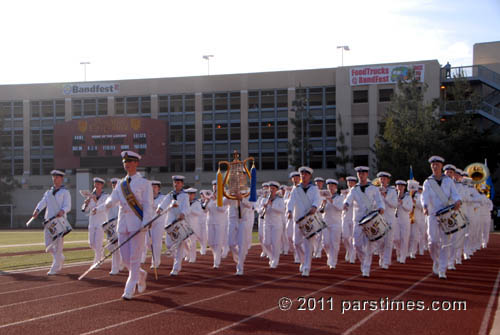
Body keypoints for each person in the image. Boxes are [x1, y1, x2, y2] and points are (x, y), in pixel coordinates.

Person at [94, 151, 153, 300]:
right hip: (122, 225)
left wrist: (146, 222)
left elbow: (148, 205)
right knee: (125, 258)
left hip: (137, 224)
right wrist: (99, 207)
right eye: (125, 161)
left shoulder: (144, 183)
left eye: (130, 161)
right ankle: (140, 274)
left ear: (136, 163)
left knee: (134, 257)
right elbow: (111, 201)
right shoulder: (121, 184)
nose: (126, 164)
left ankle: (129, 287)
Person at [421, 155, 461, 279]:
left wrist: (457, 201)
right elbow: (424, 196)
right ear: (431, 166)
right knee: (432, 242)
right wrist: (425, 206)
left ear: (441, 166)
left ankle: (442, 269)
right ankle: (437, 261)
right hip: (433, 214)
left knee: (445, 242)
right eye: (433, 164)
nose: (435, 166)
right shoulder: (428, 182)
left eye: (437, 164)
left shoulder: (448, 181)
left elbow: (455, 194)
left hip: (446, 214)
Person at [344, 166, 385, 277]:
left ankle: (366, 267)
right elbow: (348, 198)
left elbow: (379, 200)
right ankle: (363, 262)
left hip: (370, 219)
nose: (361, 175)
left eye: (363, 173)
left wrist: (381, 207)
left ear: (367, 174)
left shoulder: (373, 188)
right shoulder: (354, 189)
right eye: (359, 173)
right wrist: (346, 204)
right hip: (358, 220)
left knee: (369, 244)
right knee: (356, 244)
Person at [31, 170, 71, 275]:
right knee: (48, 246)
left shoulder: (65, 192)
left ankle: (55, 267)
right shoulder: (48, 192)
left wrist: (63, 211)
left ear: (61, 178)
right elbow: (42, 202)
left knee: (58, 245)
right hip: (48, 221)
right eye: (53, 177)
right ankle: (60, 258)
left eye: (57, 177)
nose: (54, 179)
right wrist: (37, 210)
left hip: (59, 221)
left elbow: (68, 205)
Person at [287, 166, 321, 277]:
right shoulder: (296, 189)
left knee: (308, 244)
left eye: (305, 174)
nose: (303, 176)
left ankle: (307, 267)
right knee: (296, 243)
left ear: (309, 176)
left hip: (309, 220)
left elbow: (318, 199)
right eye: (302, 174)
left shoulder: (314, 188)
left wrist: (315, 206)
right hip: (298, 220)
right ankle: (302, 261)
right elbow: (291, 201)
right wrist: (289, 211)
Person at [157, 175, 189, 276]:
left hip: (179, 222)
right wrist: (159, 209)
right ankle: (179, 257)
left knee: (179, 245)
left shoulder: (185, 196)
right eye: (175, 183)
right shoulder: (170, 195)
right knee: (168, 244)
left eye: (178, 183)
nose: (176, 184)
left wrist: (183, 213)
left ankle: (176, 267)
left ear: (182, 184)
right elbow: (163, 203)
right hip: (170, 222)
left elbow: (186, 207)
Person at [203, 180, 229, 269]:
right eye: (214, 187)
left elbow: (222, 210)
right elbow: (204, 211)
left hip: (220, 223)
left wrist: (215, 201)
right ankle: (217, 254)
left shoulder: (224, 198)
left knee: (217, 243)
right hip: (209, 222)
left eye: (216, 187)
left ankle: (216, 262)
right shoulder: (210, 197)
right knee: (210, 242)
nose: (215, 189)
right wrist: (206, 202)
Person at [83, 177, 108, 267]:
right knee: (91, 243)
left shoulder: (106, 196)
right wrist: (86, 203)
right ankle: (101, 251)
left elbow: (104, 207)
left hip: (101, 222)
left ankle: (97, 261)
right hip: (92, 222)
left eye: (98, 184)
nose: (96, 186)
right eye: (95, 184)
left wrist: (96, 203)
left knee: (98, 242)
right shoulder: (91, 196)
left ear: (101, 185)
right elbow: (85, 210)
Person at [262, 181, 286, 269]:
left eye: (273, 188)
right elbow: (260, 211)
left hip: (276, 223)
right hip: (267, 222)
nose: (271, 190)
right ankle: (271, 257)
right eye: (270, 188)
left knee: (275, 243)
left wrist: (272, 206)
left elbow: (282, 210)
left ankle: (275, 261)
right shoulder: (265, 199)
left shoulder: (280, 199)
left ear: (276, 190)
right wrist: (263, 207)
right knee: (266, 242)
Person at [376, 172, 397, 269]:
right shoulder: (376, 190)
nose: (382, 180)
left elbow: (395, 204)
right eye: (381, 179)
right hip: (380, 219)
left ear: (388, 180)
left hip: (390, 218)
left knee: (389, 241)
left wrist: (385, 197)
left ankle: (386, 261)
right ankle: (381, 256)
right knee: (380, 241)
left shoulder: (392, 191)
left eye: (384, 179)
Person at [320, 179, 343, 269]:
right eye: (329, 186)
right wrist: (323, 204)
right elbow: (320, 210)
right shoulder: (324, 198)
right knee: (325, 243)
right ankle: (330, 256)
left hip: (336, 223)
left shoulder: (339, 198)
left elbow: (340, 208)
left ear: (336, 187)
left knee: (335, 243)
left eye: (332, 186)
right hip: (326, 222)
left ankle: (333, 262)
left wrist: (331, 201)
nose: (330, 188)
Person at [145, 180, 165, 269]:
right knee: (148, 243)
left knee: (156, 243)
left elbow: (161, 210)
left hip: (158, 223)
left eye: (155, 187)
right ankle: (156, 257)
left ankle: (155, 262)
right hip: (148, 223)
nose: (153, 189)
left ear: (158, 188)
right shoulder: (145, 198)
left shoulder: (163, 198)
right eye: (151, 187)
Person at [107, 178, 124, 275]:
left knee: (120, 247)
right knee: (113, 247)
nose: (114, 185)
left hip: (120, 224)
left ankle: (119, 265)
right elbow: (104, 207)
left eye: (116, 184)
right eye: (113, 184)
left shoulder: (122, 197)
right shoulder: (109, 197)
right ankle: (115, 267)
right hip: (111, 226)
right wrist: (96, 209)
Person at [394, 180, 412, 264]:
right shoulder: (394, 196)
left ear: (404, 187)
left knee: (404, 238)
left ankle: (403, 256)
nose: (400, 188)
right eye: (398, 186)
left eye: (401, 186)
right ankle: (398, 253)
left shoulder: (408, 197)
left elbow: (410, 208)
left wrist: (402, 203)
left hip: (405, 219)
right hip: (396, 219)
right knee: (396, 238)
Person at [342, 176, 357, 264]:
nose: (350, 183)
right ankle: (349, 250)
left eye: (352, 182)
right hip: (345, 217)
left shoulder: (356, 192)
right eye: (348, 182)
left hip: (353, 217)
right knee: (345, 237)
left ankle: (352, 256)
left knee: (353, 238)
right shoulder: (343, 193)